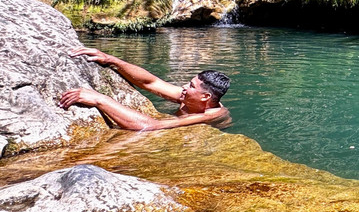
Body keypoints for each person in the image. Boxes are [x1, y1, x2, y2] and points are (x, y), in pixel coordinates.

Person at [58, 47, 231, 131]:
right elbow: (150, 83)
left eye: (191, 86)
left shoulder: (210, 115)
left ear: (204, 97)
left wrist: (100, 99)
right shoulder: (188, 97)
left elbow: (151, 126)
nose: (184, 87)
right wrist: (111, 60)